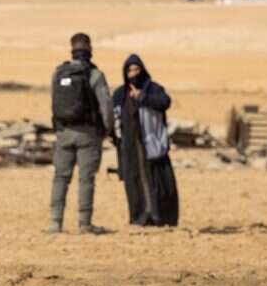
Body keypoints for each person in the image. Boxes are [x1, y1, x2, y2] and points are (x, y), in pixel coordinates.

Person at [46, 32, 113, 234]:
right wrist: (107, 129)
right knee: (86, 179)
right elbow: (106, 106)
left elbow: (54, 102)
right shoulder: (95, 74)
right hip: (88, 134)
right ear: (89, 48)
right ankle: (84, 223)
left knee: (60, 177)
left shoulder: (59, 73)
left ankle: (55, 222)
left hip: (64, 132)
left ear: (72, 49)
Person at [113, 54, 179, 227]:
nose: (133, 74)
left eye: (137, 69)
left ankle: (159, 217)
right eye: (130, 71)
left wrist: (143, 97)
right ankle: (139, 217)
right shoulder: (120, 93)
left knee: (157, 182)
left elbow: (165, 102)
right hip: (130, 145)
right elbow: (114, 117)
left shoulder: (153, 88)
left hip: (152, 144)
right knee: (134, 181)